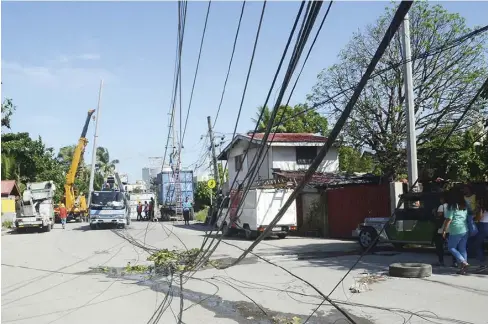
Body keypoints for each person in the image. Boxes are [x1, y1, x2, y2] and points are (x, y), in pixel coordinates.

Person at [442, 189, 470, 274]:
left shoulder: (451, 206)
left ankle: (463, 262)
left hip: (455, 230)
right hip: (465, 229)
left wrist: (444, 230)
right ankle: (463, 270)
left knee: (451, 247)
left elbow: (448, 220)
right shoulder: (465, 205)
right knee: (462, 249)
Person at [474, 192, 488, 270]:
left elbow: (478, 218)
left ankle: (482, 264)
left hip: (484, 226)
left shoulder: (482, 208)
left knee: (478, 244)